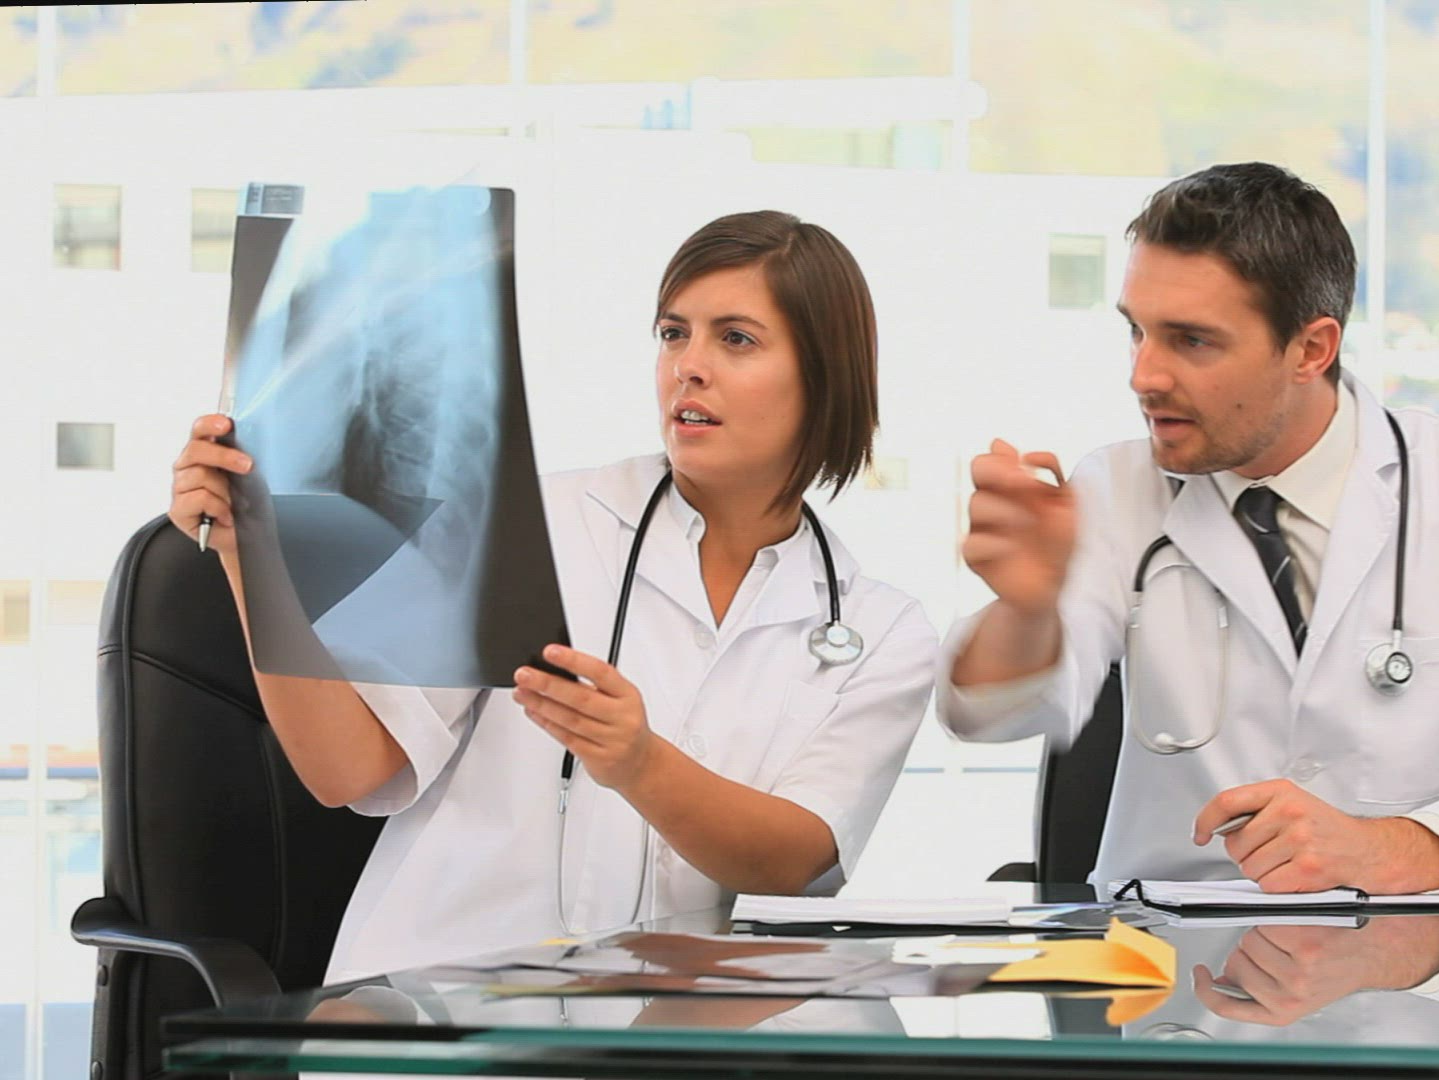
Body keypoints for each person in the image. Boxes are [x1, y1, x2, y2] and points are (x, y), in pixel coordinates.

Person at [168, 210, 937, 981]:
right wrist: (249, 557)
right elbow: (348, 768)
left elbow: (794, 864)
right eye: (673, 334)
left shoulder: (881, 630)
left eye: (735, 338)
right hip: (437, 1004)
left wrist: (637, 761)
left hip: (684, 1023)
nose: (688, 366)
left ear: (825, 376)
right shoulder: (521, 523)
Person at [939, 163, 1439, 897]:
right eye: (1137, 332)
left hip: (1422, 956)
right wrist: (1026, 611)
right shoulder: (1116, 489)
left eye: (1191, 341)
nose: (1144, 376)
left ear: (1312, 350)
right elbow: (987, 715)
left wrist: (1386, 850)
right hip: (1173, 955)